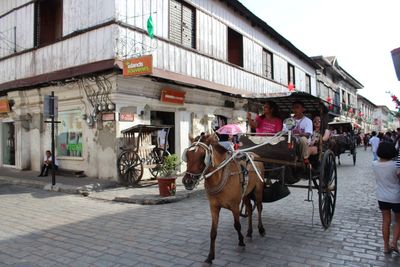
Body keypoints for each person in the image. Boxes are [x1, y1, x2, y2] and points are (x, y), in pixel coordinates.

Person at [372, 142, 400, 254]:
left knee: (385, 221)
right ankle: (394, 242)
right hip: (396, 196)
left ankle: (385, 246)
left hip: (382, 197)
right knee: (398, 220)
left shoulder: (374, 164)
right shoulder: (395, 166)